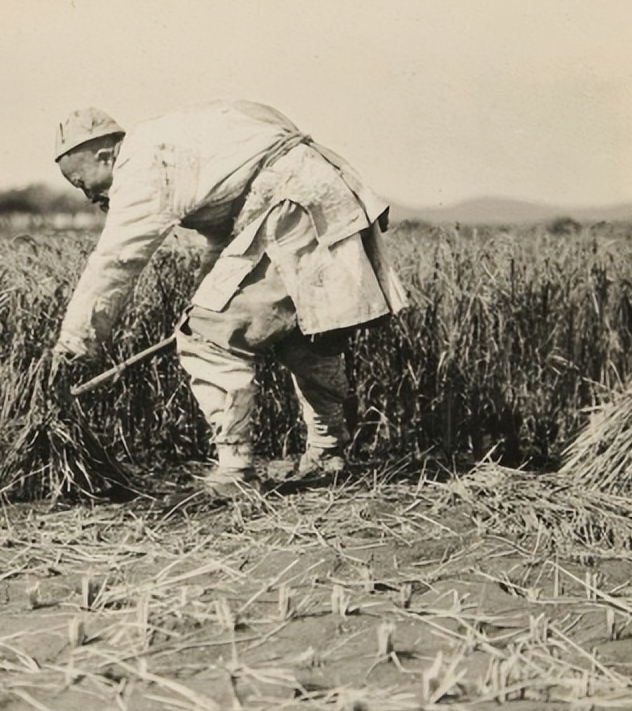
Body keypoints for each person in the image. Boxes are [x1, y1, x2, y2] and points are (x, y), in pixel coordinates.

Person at [49, 100, 408, 491]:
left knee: (207, 338)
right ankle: (327, 452)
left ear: (104, 155)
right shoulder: (172, 143)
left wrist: (73, 346)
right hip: (318, 197)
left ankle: (235, 471)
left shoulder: (141, 166)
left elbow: (116, 261)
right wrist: (204, 298)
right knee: (301, 338)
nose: (87, 197)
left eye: (81, 183)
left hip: (292, 209)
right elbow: (225, 239)